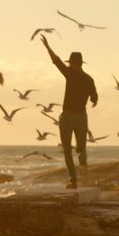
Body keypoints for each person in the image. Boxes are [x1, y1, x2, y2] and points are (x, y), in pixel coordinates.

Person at [40, 35, 98, 189]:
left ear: (72, 63)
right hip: (82, 117)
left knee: (67, 150)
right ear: (81, 63)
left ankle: (73, 181)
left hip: (67, 116)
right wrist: (92, 100)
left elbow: (56, 61)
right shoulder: (89, 79)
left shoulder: (70, 74)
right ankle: (84, 168)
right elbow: (94, 98)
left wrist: (47, 47)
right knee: (81, 149)